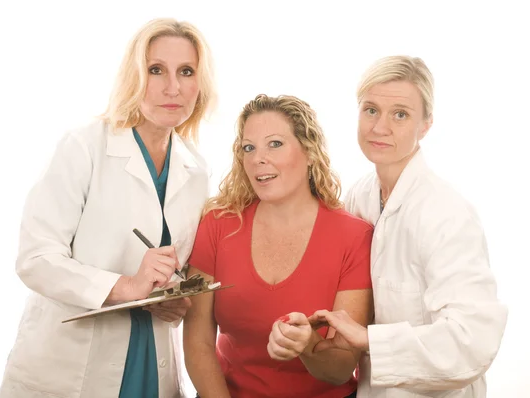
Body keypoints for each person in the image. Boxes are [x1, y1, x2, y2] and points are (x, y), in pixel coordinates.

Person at [0, 18, 216, 398]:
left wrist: (172, 300)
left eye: (186, 71)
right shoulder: (84, 147)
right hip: (68, 368)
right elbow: (35, 258)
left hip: (153, 361)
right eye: (155, 70)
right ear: (133, 77)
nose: (173, 87)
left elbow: (174, 266)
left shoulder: (195, 169)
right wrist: (127, 287)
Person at [309, 56, 508, 398]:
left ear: (426, 125)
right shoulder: (359, 197)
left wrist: (369, 339)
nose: (379, 127)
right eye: (370, 109)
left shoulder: (446, 213)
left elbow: (472, 339)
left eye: (400, 114)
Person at [183, 94, 374, 398]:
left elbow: (340, 369)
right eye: (249, 147)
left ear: (310, 152)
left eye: (275, 144)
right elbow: (198, 342)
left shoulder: (355, 236)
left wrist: (308, 346)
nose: (258, 158)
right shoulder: (218, 224)